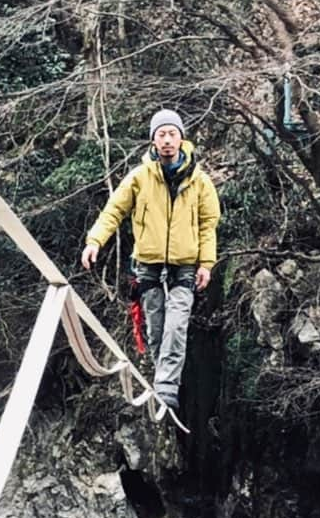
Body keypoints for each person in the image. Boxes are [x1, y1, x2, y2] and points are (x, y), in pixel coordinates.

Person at [81, 109, 221, 411]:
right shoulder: (140, 178)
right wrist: (94, 241)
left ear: (181, 138)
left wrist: (206, 264)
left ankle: (167, 387)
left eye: (172, 133)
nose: (167, 140)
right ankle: (163, 381)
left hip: (185, 263)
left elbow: (209, 224)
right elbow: (113, 211)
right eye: (161, 134)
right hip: (148, 264)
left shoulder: (200, 182)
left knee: (176, 325)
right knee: (156, 328)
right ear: (153, 140)